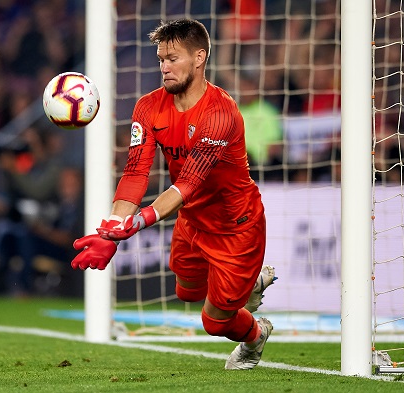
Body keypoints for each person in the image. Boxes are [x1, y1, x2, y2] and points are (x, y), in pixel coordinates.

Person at [71, 19, 277, 370]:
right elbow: (136, 171)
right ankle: (247, 287)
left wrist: (135, 225)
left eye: (173, 58)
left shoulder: (221, 113)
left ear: (199, 58)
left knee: (214, 322)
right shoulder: (148, 107)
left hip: (235, 227)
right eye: (161, 59)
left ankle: (255, 335)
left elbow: (187, 184)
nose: (164, 67)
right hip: (192, 221)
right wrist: (112, 227)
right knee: (187, 291)